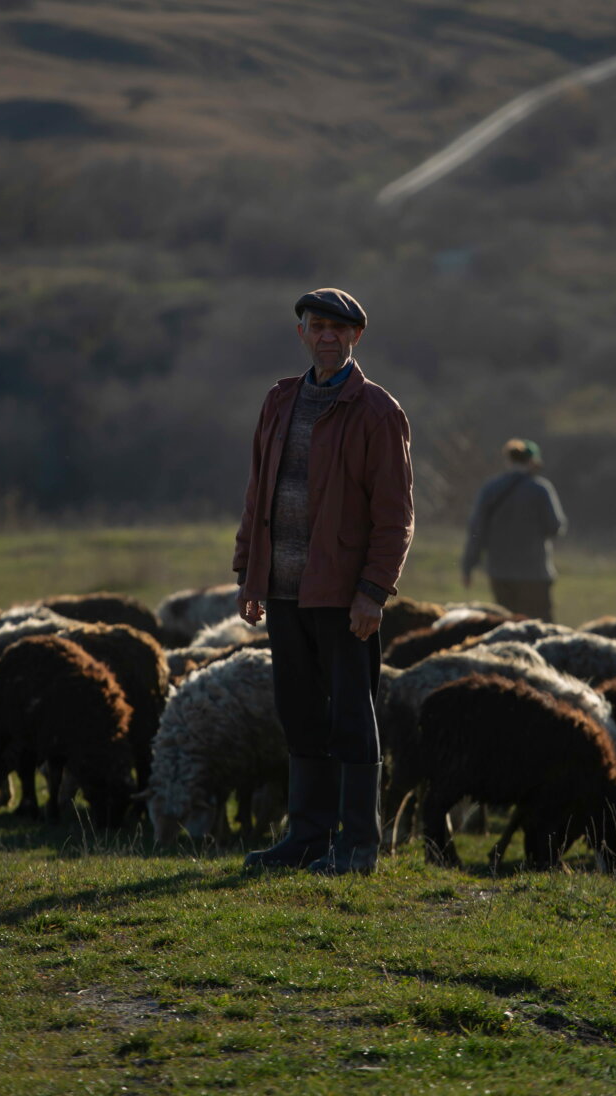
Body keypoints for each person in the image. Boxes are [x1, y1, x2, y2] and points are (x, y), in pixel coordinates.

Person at [233, 287, 413, 876]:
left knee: (352, 717)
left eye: (339, 328)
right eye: (317, 326)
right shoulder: (279, 401)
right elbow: (258, 491)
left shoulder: (377, 411)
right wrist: (249, 574)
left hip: (343, 596)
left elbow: (395, 515)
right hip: (283, 591)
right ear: (302, 334)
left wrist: (373, 591)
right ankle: (307, 838)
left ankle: (358, 845)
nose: (327, 337)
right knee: (301, 713)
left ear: (356, 336)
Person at [461, 439, 566, 622]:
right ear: (532, 461)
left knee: (509, 626)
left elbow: (476, 530)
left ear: (508, 460)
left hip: (500, 573)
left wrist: (468, 566)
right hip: (534, 573)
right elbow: (555, 527)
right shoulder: (541, 489)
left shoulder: (490, 489)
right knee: (540, 627)